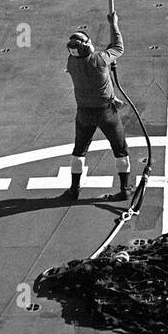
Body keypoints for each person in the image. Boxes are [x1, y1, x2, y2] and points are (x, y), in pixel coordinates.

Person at [64, 12, 131, 202]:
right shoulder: (100, 60)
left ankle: (74, 189)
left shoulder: (71, 62)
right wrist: (114, 25)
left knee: (79, 150)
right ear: (88, 46)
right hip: (106, 112)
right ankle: (125, 188)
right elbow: (118, 48)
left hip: (84, 112)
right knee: (120, 150)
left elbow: (92, 58)